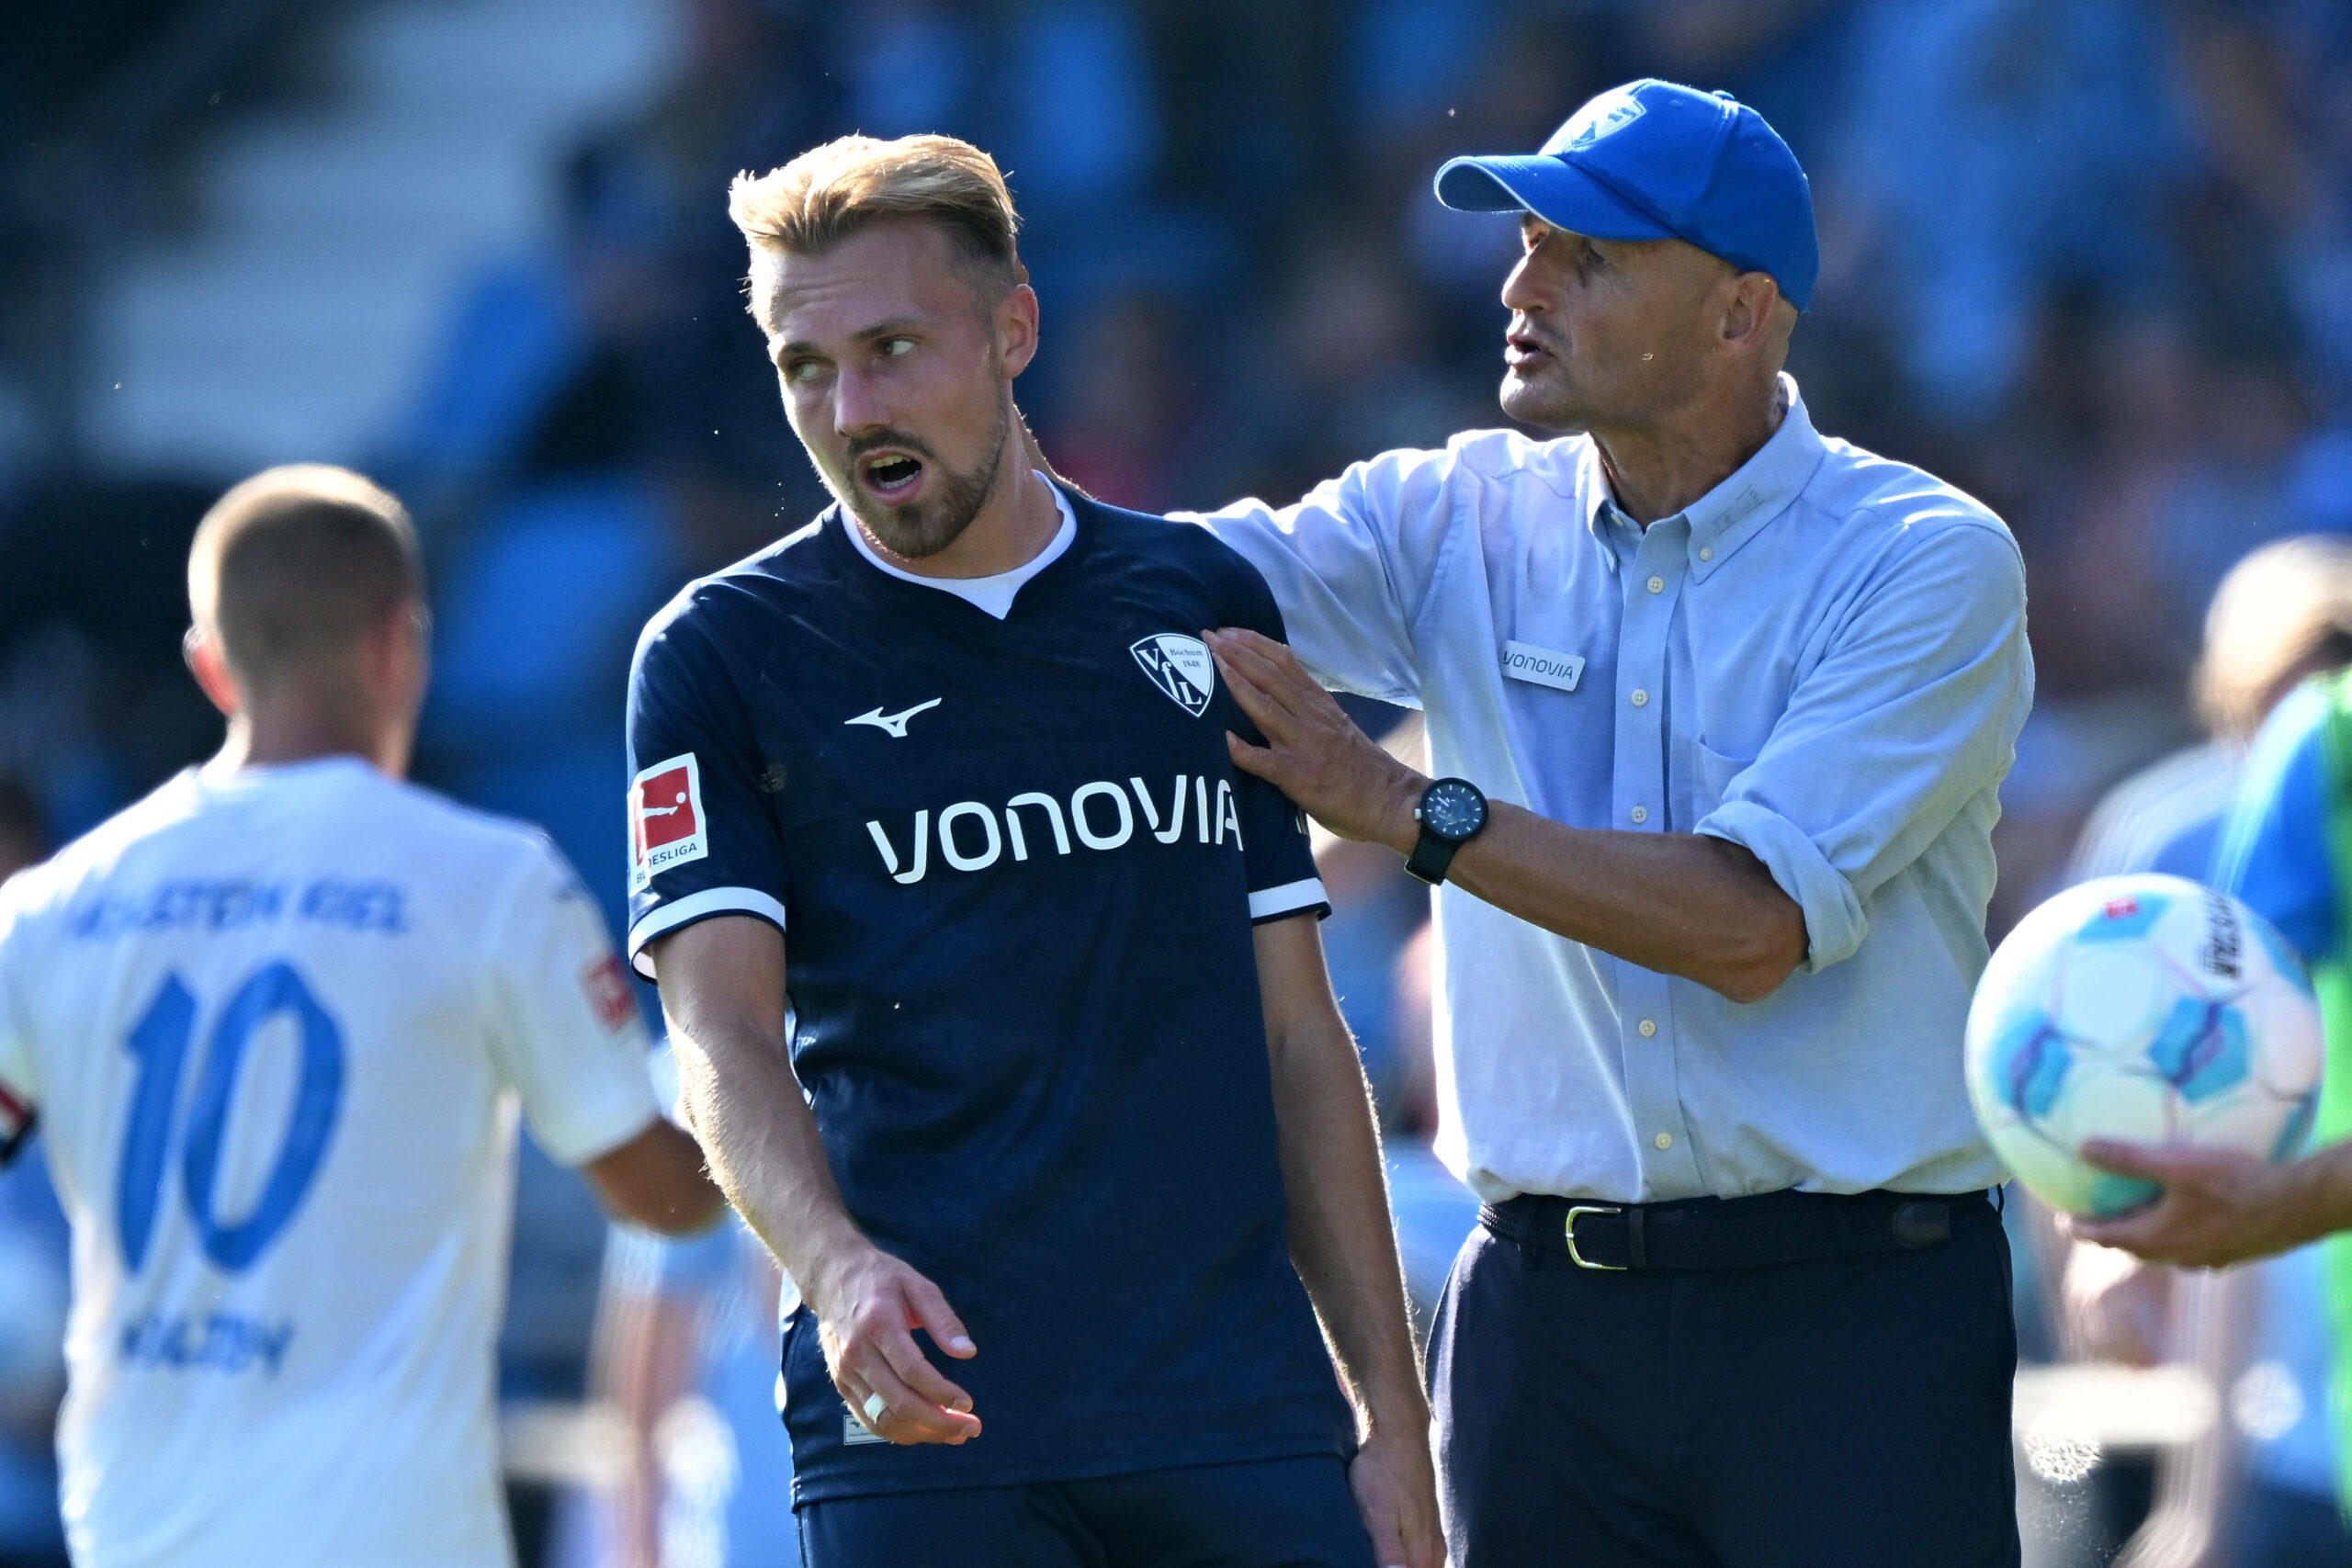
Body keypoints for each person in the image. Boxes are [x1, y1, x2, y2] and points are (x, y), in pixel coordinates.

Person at [1177, 79, 2035, 1566]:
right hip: (1545, 1325)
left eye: (1589, 253)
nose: (1522, 285)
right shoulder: (1449, 512)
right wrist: (943, 446)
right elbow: (1141, 588)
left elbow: (1745, 924)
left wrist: (1402, 807)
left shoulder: (1926, 559)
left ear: (1740, 314)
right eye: (1524, 242)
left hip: (1857, 1326)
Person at [626, 135, 1439, 1568]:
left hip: (1237, 1412)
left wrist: (1392, 1416)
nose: (850, 406)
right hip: (928, 1425)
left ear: (1014, 331)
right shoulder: (721, 655)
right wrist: (835, 1266)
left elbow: (1300, 1037)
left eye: (892, 348)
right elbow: (721, 1034)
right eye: (804, 366)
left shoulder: (1198, 594)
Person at [0, 465, 723, 1568]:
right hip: (387, 1529)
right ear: (403, 644)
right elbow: (662, 1200)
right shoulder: (489, 884)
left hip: (133, 1522)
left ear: (209, 666)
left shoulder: (49, 907)